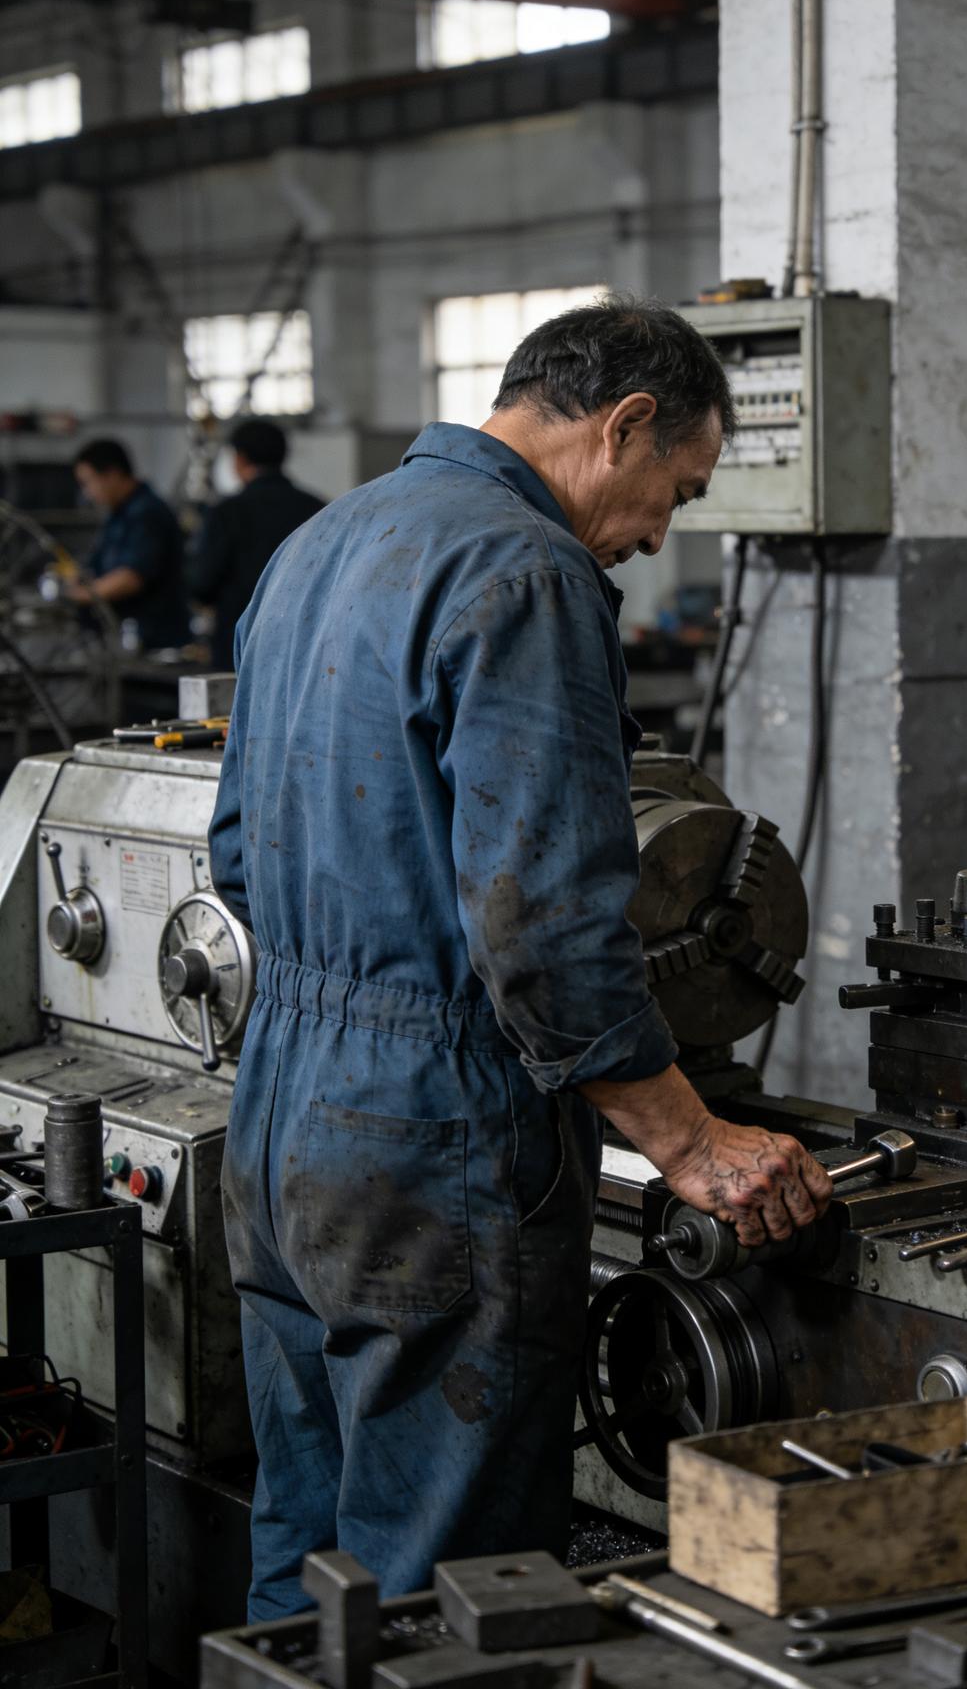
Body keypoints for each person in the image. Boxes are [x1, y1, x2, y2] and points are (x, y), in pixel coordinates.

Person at [210, 293, 832, 1621]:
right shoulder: (529, 573)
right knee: (444, 1585)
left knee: (309, 1543)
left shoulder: (320, 541)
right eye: (677, 492)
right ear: (625, 425)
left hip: (276, 1114)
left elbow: (240, 856)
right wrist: (688, 1140)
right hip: (429, 1137)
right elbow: (546, 938)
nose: (659, 535)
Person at [189, 418, 325, 670]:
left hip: (239, 649)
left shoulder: (227, 513)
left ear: (239, 459)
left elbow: (203, 583)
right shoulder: (318, 509)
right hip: (303, 647)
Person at [70, 438, 189, 651]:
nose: (87, 493)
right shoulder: (117, 515)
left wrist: (82, 595)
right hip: (124, 638)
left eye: (88, 482)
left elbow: (131, 578)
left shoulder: (147, 513)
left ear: (113, 475)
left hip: (154, 640)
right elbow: (96, 567)